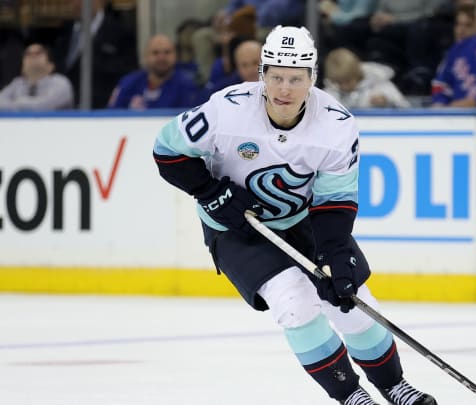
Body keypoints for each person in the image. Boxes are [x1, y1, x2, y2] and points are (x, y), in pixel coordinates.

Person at [152, 25, 437, 405]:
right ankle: (351, 396)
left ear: (312, 79)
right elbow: (167, 151)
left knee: (352, 301)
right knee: (294, 302)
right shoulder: (226, 109)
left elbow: (335, 202)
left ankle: (394, 386)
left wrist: (335, 255)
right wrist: (210, 191)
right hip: (237, 229)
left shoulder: (336, 125)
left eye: (296, 79)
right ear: (262, 76)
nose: (285, 89)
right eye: (276, 77)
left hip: (303, 221)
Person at [52, 0, 136, 109]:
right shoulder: (63, 31)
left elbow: (128, 71)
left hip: (103, 109)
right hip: (66, 109)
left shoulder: (120, 32)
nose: (76, 3)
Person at [108, 34, 199, 110]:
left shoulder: (186, 86)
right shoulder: (128, 82)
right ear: (145, 56)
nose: (161, 58)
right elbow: (111, 116)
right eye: (155, 53)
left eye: (167, 52)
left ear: (176, 56)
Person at [323, 47, 411, 108]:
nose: (343, 86)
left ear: (357, 75)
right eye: (338, 82)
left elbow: (405, 110)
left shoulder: (381, 85)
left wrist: (387, 103)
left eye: (347, 81)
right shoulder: (327, 94)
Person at [0, 43, 74, 111]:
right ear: (22, 68)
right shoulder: (16, 83)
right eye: (28, 54)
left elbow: (46, 106)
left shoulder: (60, 82)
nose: (33, 56)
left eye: (38, 53)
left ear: (51, 66)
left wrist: (18, 102)